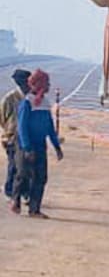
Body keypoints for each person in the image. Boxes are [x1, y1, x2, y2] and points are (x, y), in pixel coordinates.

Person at [11, 69, 62, 218]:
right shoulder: (26, 103)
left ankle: (34, 209)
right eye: (47, 83)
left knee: (41, 177)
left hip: (40, 146)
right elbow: (22, 127)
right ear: (39, 84)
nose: (49, 86)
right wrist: (27, 148)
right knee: (23, 174)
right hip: (25, 146)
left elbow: (49, 127)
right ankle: (15, 200)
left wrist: (57, 146)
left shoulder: (45, 103)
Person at [1, 68, 31, 198]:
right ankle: (10, 191)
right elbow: (2, 117)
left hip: (28, 138)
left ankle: (24, 191)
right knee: (14, 166)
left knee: (26, 167)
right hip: (12, 138)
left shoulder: (31, 98)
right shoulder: (9, 98)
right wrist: (10, 131)